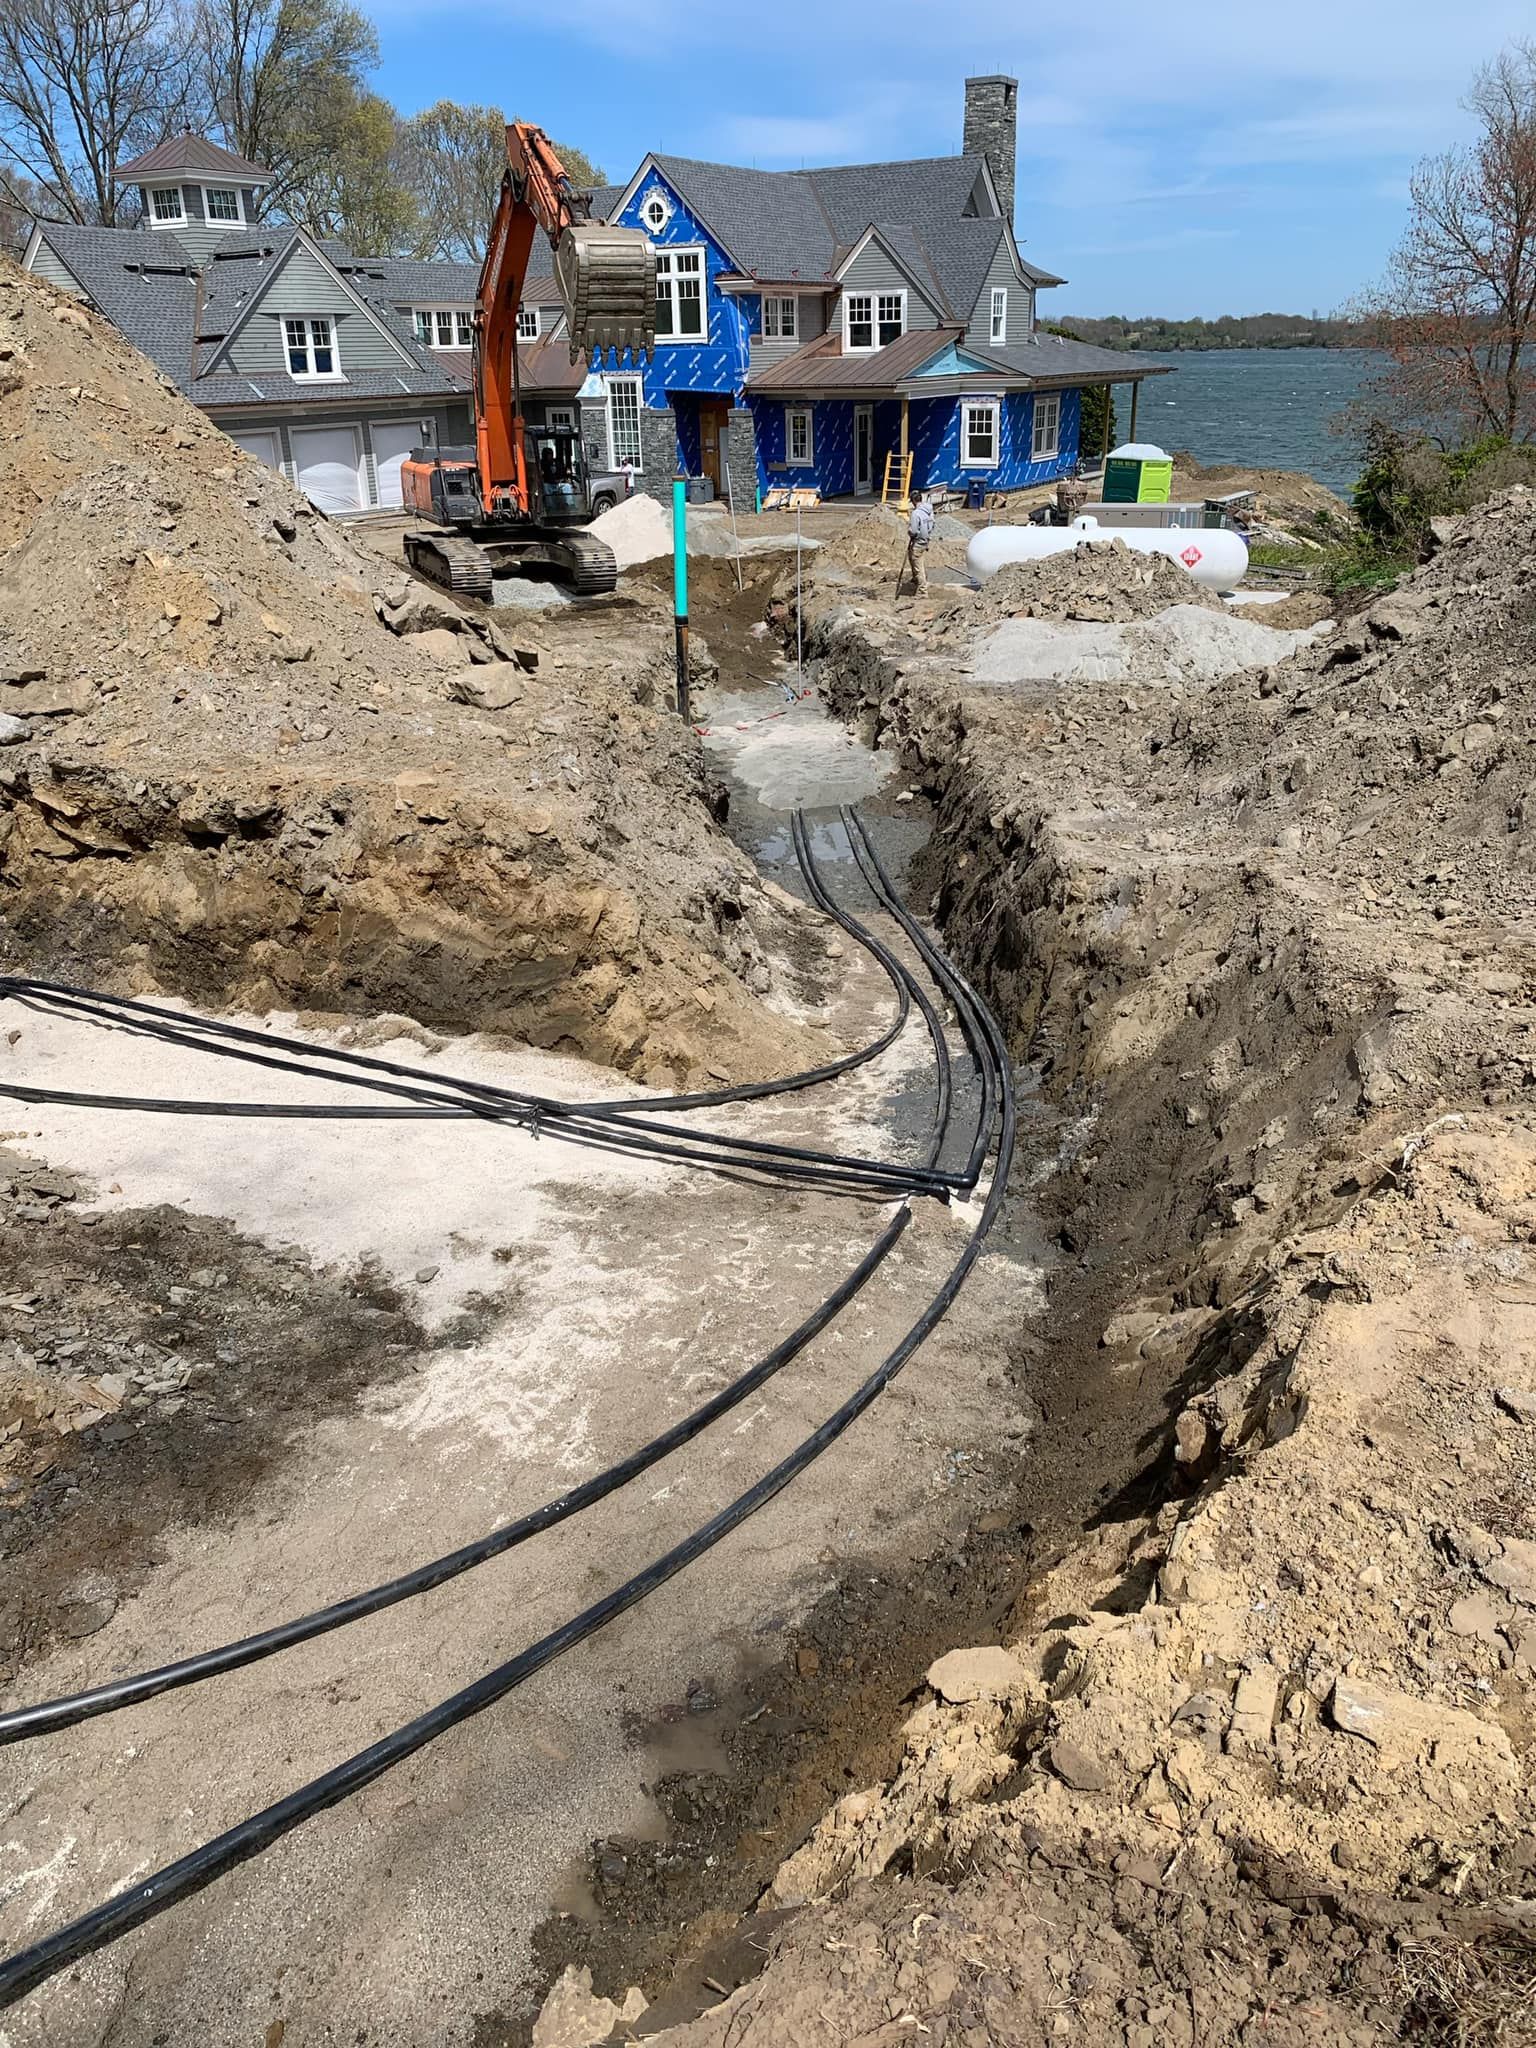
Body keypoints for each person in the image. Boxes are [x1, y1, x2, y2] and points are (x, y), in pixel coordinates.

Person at [902, 488, 934, 593]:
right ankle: (916, 580)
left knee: (917, 565)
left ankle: (922, 590)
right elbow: (932, 524)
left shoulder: (916, 513)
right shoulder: (929, 510)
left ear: (913, 501)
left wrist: (910, 532)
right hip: (925, 540)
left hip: (918, 541)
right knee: (914, 559)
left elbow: (913, 530)